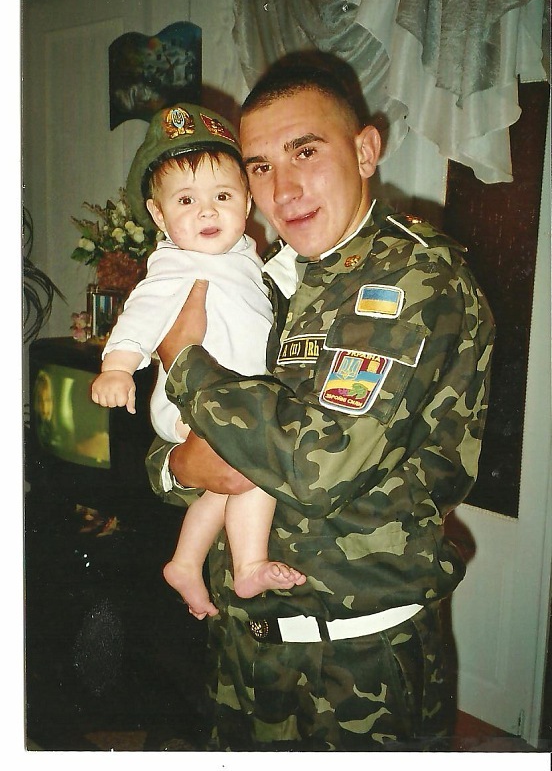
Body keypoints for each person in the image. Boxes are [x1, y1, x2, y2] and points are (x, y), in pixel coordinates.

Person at [146, 62, 495, 751]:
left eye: (305, 151)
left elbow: (317, 468)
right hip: (244, 643)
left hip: (353, 664)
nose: (284, 188)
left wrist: (185, 362)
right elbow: (181, 447)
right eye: (261, 166)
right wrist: (179, 468)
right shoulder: (265, 281)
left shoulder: (412, 278)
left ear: (365, 150)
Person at [91, 103, 306, 619]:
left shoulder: (242, 255)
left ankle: (187, 562)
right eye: (186, 200)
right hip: (190, 402)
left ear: (247, 202)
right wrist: (118, 367)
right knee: (256, 463)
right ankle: (248, 564)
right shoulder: (174, 266)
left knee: (231, 480)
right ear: (159, 216)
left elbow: (274, 288)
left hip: (231, 398)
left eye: (223, 197)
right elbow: (140, 316)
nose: (207, 212)